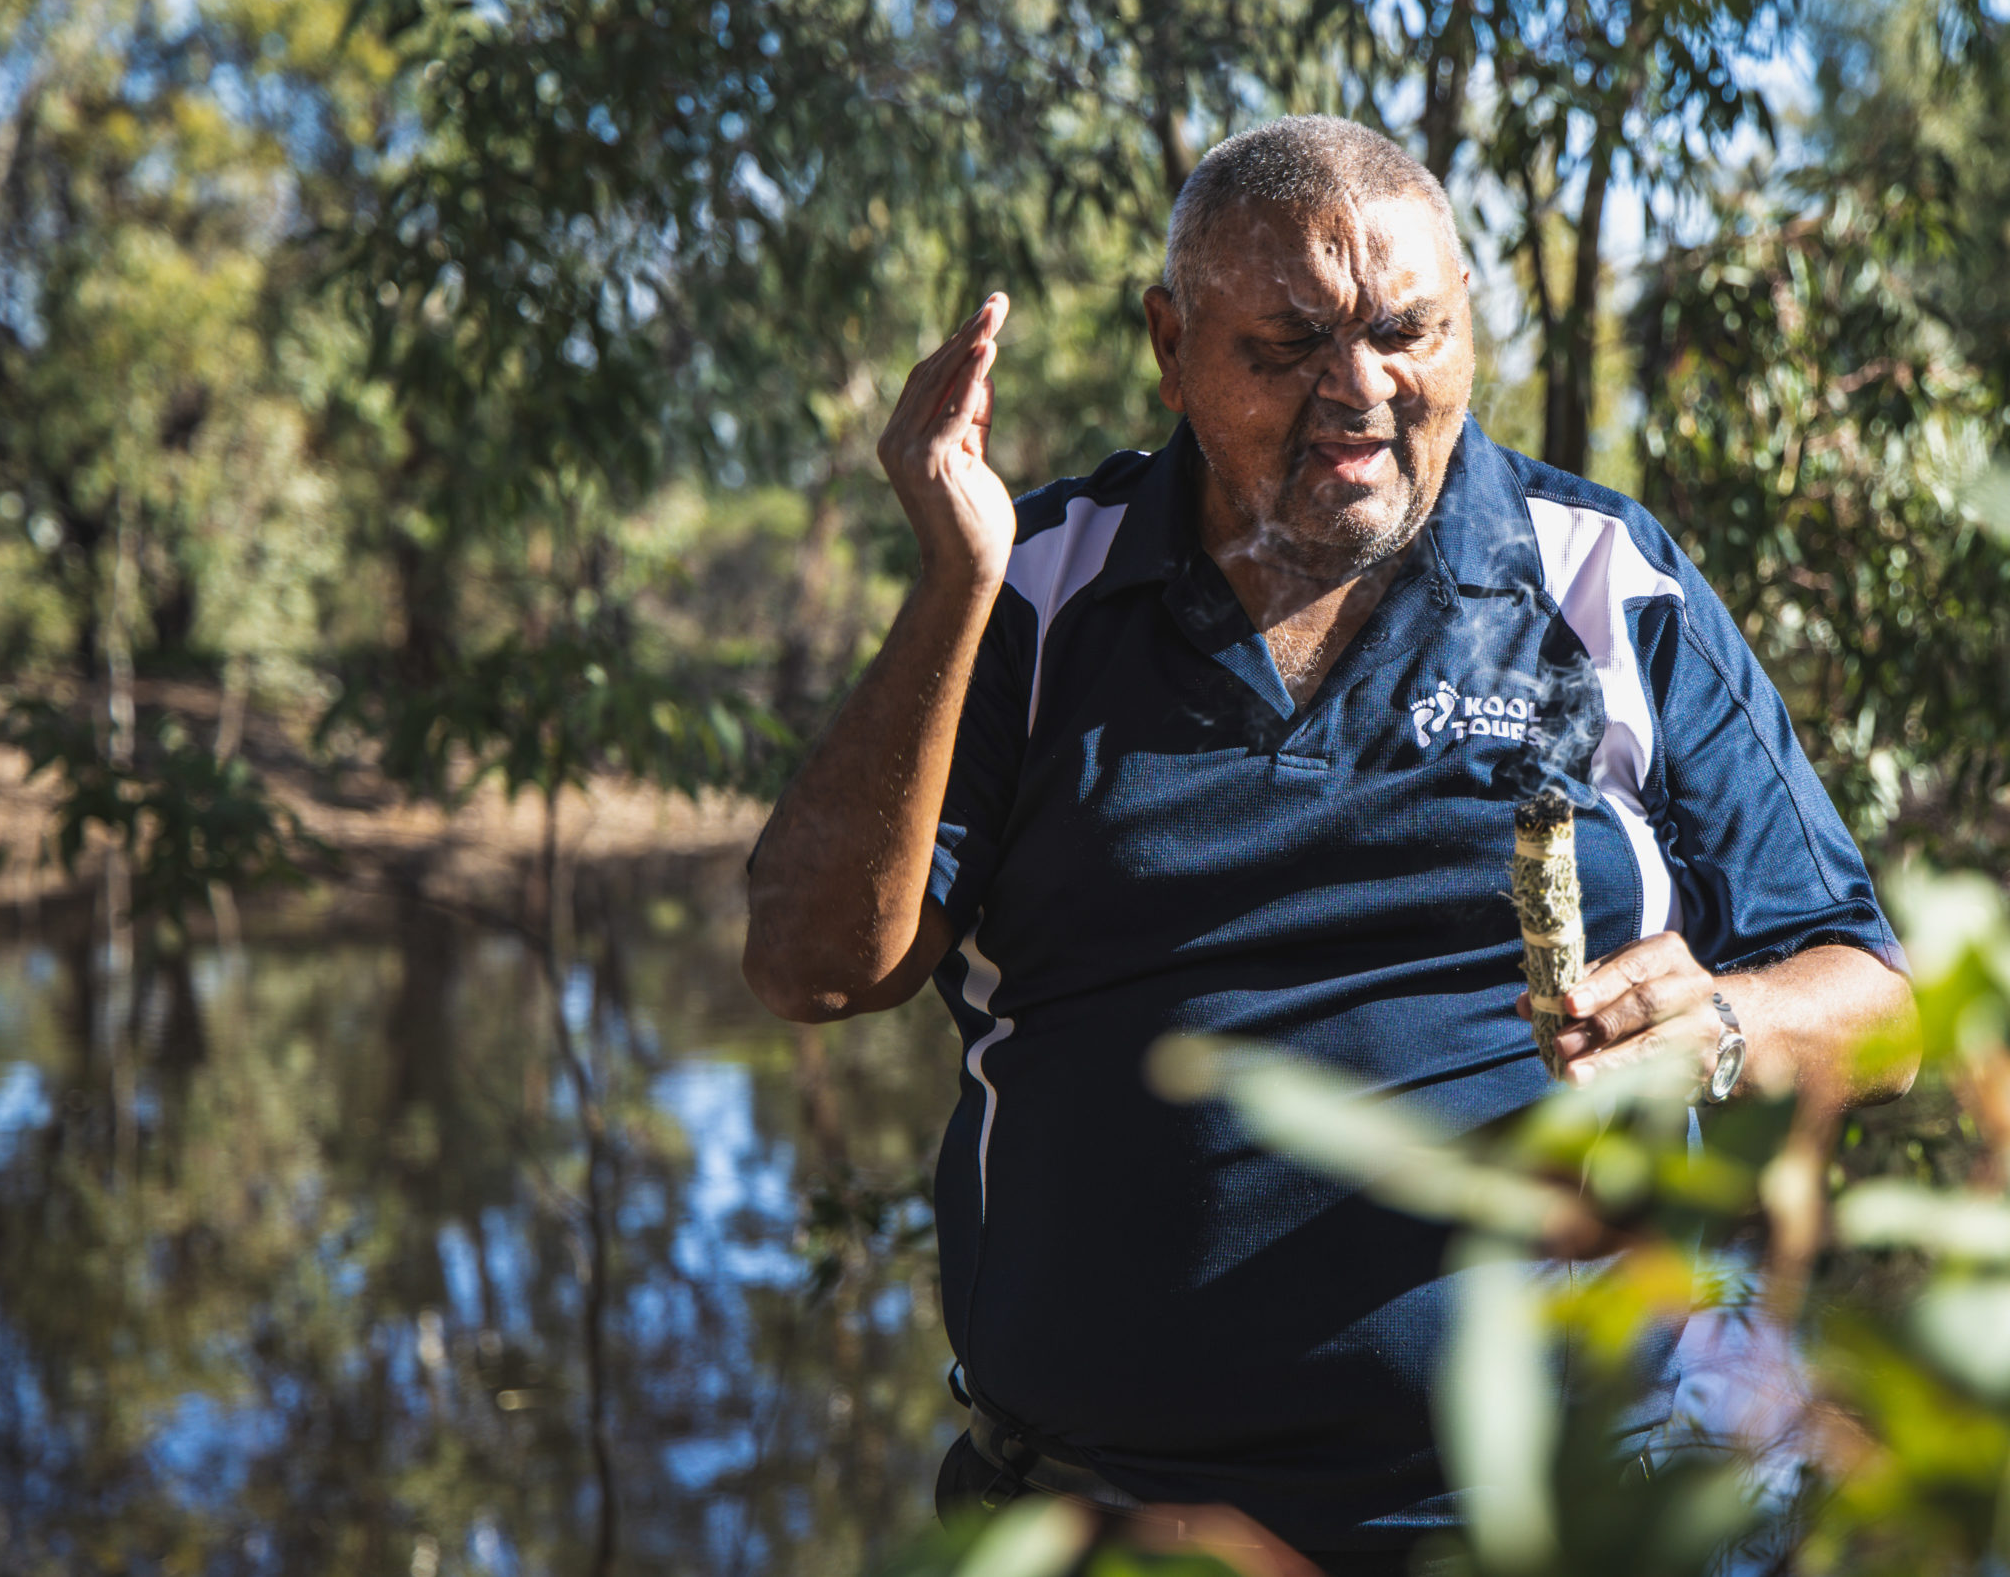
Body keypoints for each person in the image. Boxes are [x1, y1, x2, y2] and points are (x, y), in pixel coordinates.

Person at [742, 116, 1916, 1571]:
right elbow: (812, 969)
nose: (1359, 393)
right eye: (1287, 347)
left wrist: (1724, 1023)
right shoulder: (1031, 593)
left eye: (1407, 334)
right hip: (1106, 1524)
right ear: (1168, 346)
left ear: (1467, 329)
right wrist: (952, 580)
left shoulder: (1605, 581)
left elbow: (1879, 997)